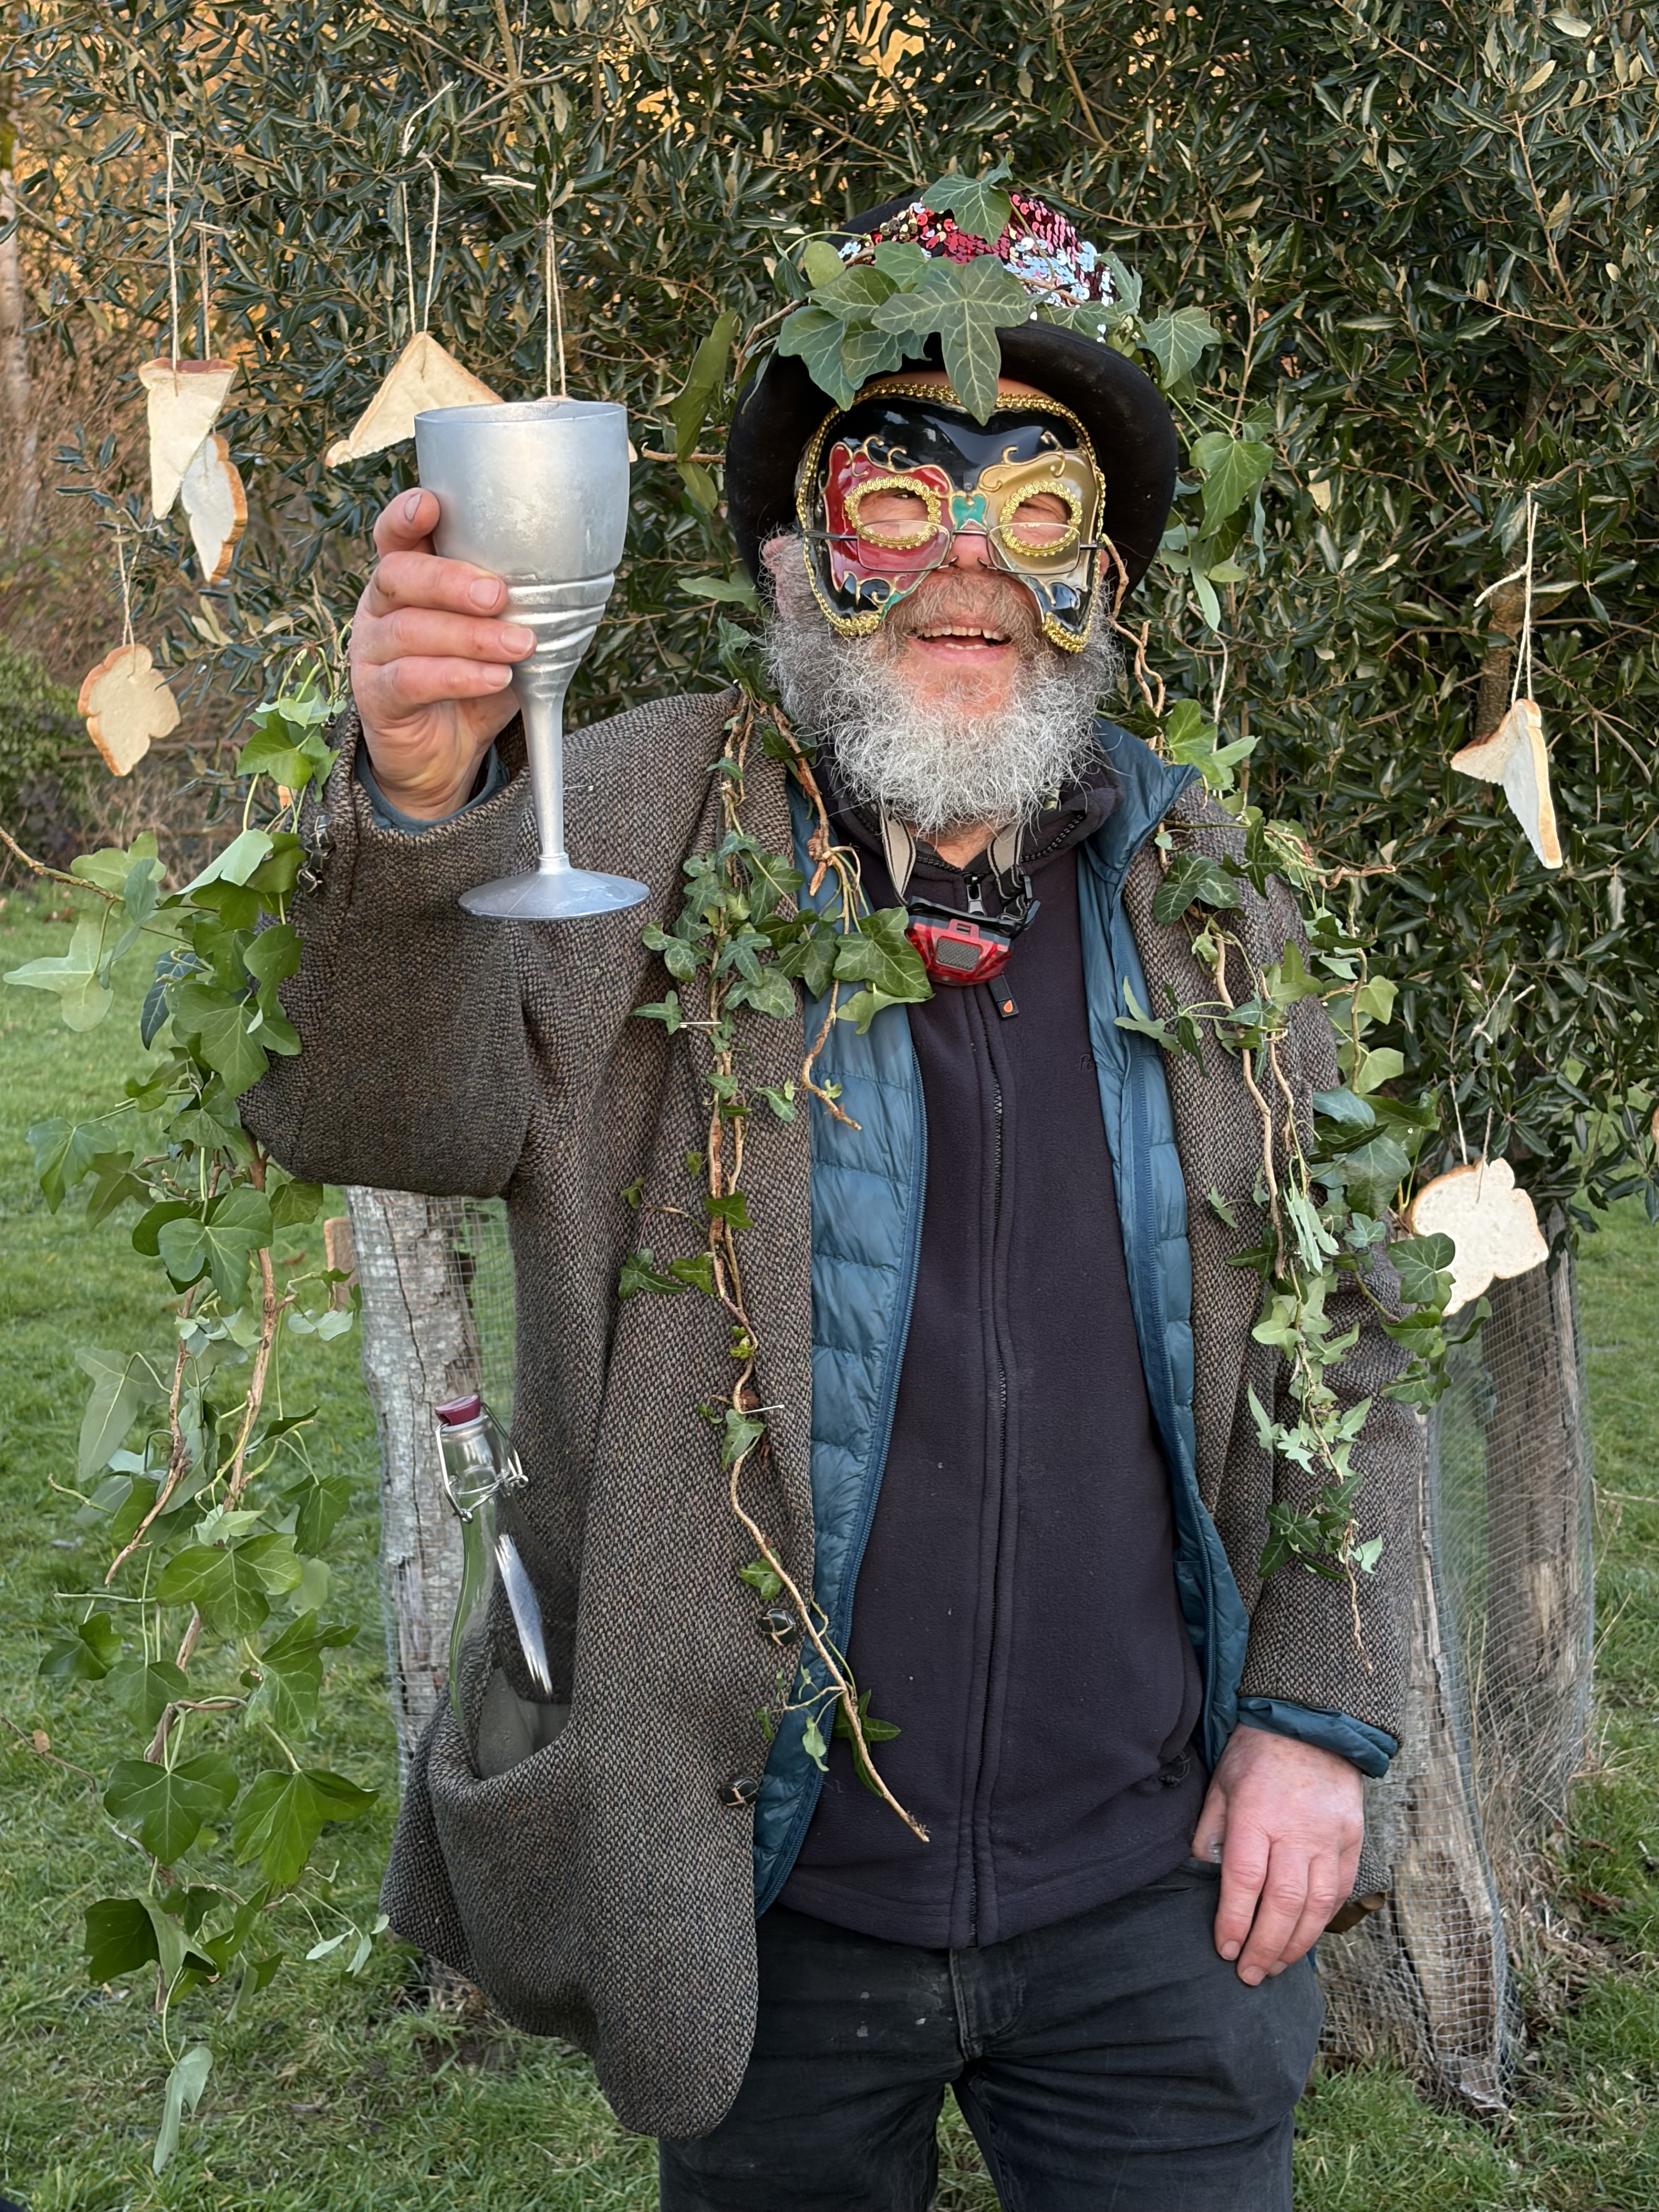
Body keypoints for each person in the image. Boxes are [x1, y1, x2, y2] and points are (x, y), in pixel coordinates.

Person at [247, 185, 1418, 2210]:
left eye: (1035, 508)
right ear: (799, 553)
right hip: (766, 1894)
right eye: (902, 498)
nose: (971, 561)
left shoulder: (1205, 880)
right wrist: (421, 810)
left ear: (1106, 576)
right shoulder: (625, 813)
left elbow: (1359, 1323)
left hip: (1155, 1893)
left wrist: (1317, 1711)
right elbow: (384, 1114)